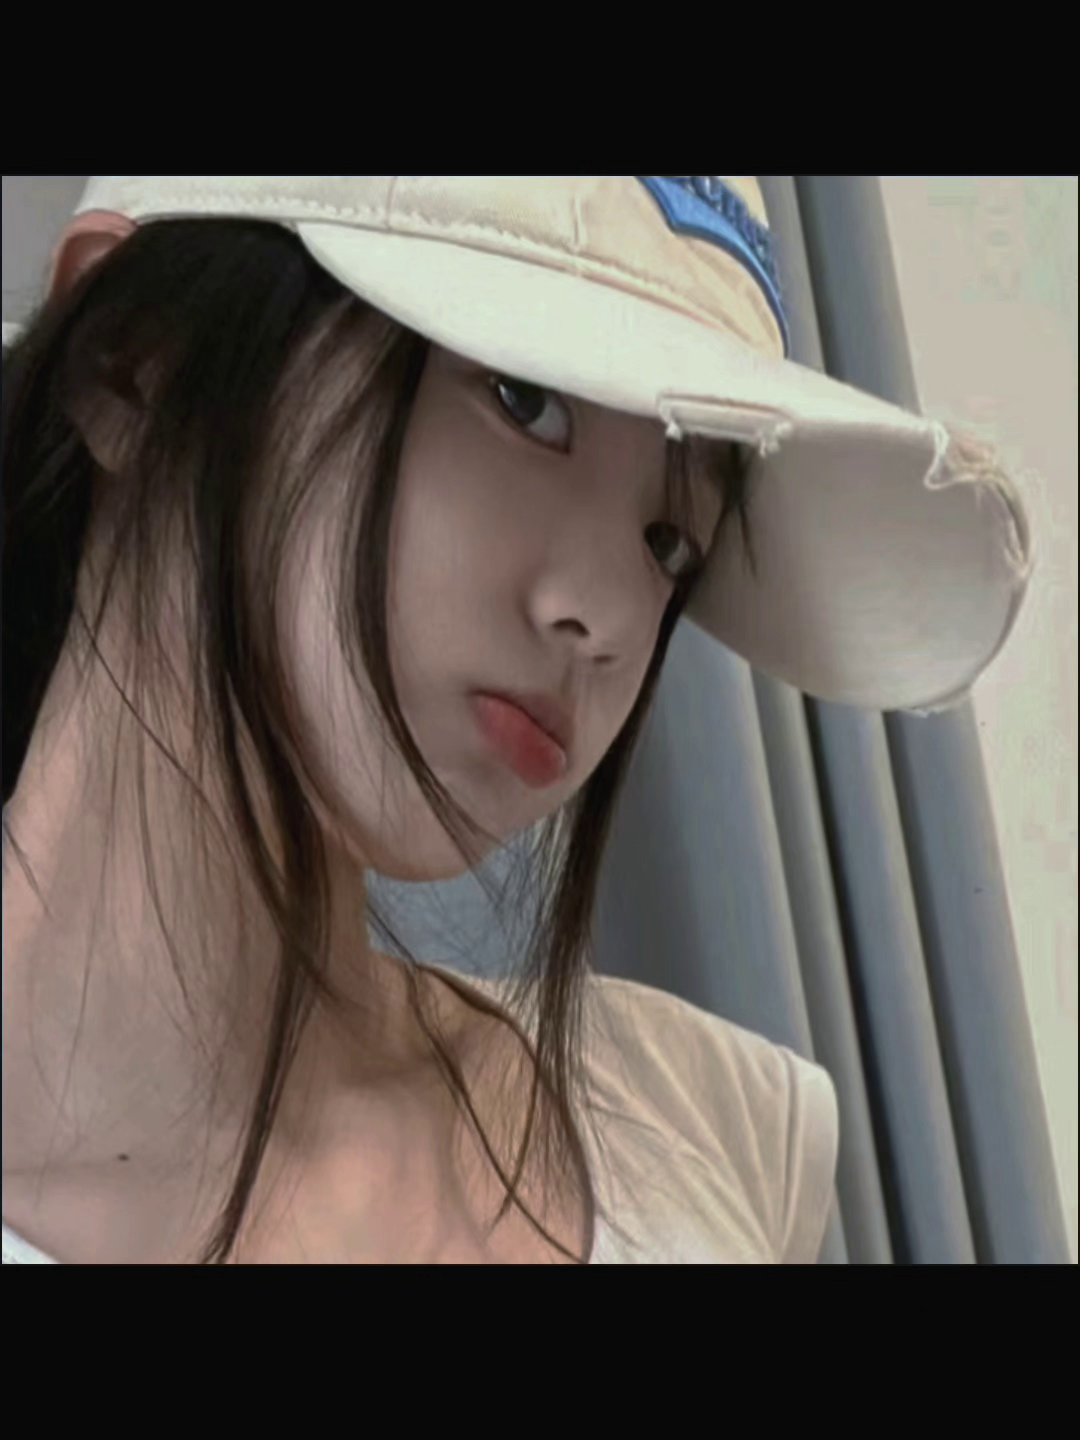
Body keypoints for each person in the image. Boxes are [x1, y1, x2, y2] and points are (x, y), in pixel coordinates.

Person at [1, 177, 1034, 1265]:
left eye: (670, 542)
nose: (614, 619)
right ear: (140, 362)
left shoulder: (695, 1126)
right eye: (522, 400)